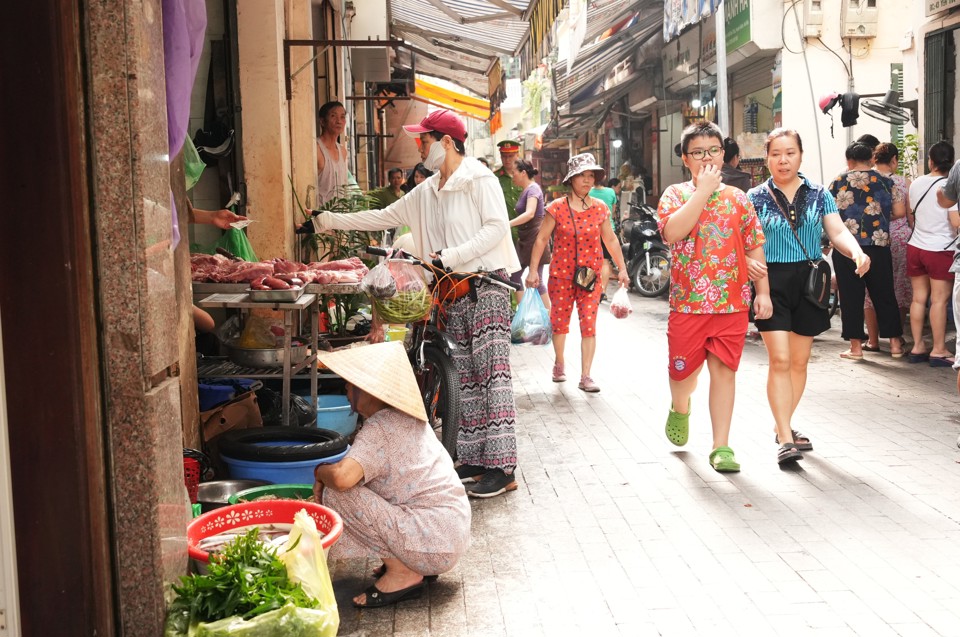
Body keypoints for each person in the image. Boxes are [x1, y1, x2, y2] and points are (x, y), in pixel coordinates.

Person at [298, 109, 522, 498]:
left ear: (447, 142)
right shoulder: (427, 190)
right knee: (465, 377)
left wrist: (449, 256)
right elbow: (382, 216)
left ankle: (502, 468)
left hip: (486, 286)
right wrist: (326, 220)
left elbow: (495, 229)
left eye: (425, 139)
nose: (420, 146)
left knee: (492, 377)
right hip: (451, 292)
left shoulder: (478, 179)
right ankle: (472, 458)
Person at [312, 342, 471, 608]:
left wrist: (318, 471)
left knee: (338, 493)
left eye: (351, 384)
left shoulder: (380, 428)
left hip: (433, 538)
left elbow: (341, 478)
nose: (346, 389)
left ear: (368, 390)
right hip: (448, 535)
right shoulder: (407, 418)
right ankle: (409, 561)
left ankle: (403, 571)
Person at [747, 129, 870, 465]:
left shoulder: (819, 193)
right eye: (776, 154)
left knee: (799, 362)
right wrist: (755, 278)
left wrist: (856, 252)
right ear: (767, 157)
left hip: (809, 279)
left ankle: (781, 423)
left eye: (789, 153)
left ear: (800, 155)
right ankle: (785, 438)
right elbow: (743, 241)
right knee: (781, 360)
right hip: (769, 281)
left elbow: (837, 230)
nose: (783, 160)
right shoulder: (754, 197)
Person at [657, 121, 767, 473]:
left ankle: (721, 446)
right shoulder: (674, 194)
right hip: (688, 304)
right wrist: (701, 191)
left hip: (731, 303)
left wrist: (762, 292)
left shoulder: (738, 198)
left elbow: (754, 245)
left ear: (723, 154)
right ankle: (680, 405)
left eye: (713, 151)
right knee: (682, 375)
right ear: (685, 159)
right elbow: (673, 233)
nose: (707, 158)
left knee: (724, 373)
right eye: (698, 152)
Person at [527, 153, 629, 393]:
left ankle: (586, 376)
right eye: (582, 175)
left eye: (590, 175)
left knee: (589, 324)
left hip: (589, 277)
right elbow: (542, 239)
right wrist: (533, 271)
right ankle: (559, 363)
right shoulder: (557, 208)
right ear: (571, 179)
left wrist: (622, 268)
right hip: (561, 275)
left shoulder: (600, 208)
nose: (587, 180)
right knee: (560, 323)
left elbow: (611, 240)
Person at [828, 142, 906, 359]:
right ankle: (895, 346)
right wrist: (877, 217)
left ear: (849, 161)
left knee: (852, 297)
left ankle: (856, 349)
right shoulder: (886, 181)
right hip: (879, 245)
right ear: (871, 159)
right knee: (884, 294)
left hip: (847, 249)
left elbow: (827, 216)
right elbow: (899, 211)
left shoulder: (838, 182)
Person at [906, 141, 959, 366]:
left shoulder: (916, 183)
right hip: (941, 249)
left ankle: (917, 347)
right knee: (939, 300)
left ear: (930, 160)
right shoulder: (950, 186)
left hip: (916, 246)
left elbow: (911, 215)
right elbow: (955, 221)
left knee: (918, 298)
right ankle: (938, 350)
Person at [862, 143, 912, 352]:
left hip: (872, 239)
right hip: (900, 239)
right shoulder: (902, 182)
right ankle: (896, 337)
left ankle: (873, 340)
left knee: (870, 290)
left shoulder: (866, 179)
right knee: (898, 288)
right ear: (894, 160)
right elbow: (906, 213)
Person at [509, 159, 551, 309]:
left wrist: (508, 224)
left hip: (535, 238)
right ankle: (524, 314)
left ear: (523, 173)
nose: (512, 175)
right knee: (514, 277)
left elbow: (530, 213)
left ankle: (550, 319)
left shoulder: (533, 189)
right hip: (525, 239)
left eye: (514, 172)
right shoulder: (526, 190)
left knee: (536, 281)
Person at [588, 178, 619, 300]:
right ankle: (603, 290)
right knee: (605, 261)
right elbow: (613, 210)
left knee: (590, 260)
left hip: (591, 230)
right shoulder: (611, 192)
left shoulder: (588, 192)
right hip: (608, 229)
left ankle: (589, 287)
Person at [316, 100, 349, 205]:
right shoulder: (316, 149)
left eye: (342, 117)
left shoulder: (343, 151)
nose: (339, 121)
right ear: (322, 121)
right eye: (333, 116)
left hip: (340, 216)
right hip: (321, 215)